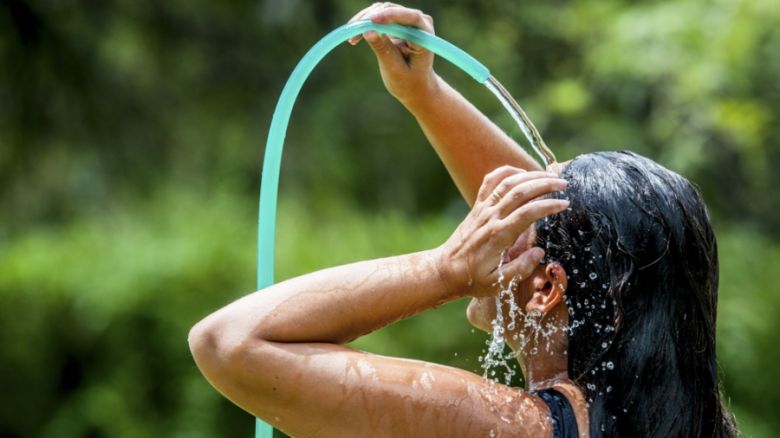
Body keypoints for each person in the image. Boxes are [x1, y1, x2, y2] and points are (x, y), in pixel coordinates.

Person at [189, 3, 738, 437]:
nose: (487, 222)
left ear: (546, 287)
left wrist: (444, 269)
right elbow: (573, 234)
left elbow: (229, 341)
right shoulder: (692, 419)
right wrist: (424, 93)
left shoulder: (515, 428)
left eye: (504, 220)